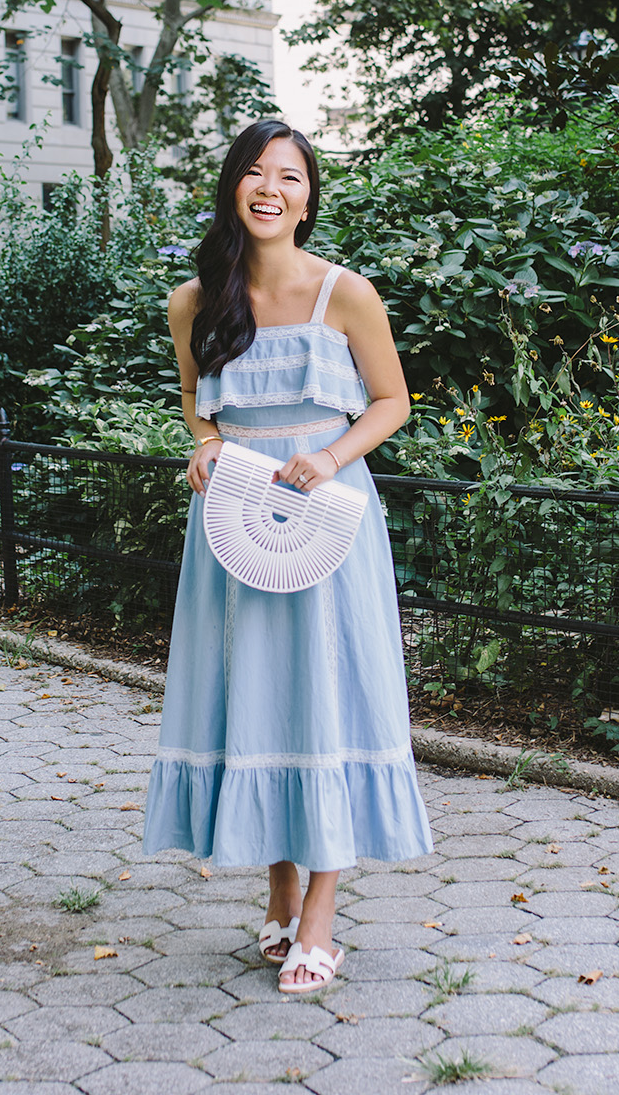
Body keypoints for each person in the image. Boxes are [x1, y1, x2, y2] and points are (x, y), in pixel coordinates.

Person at [142, 118, 433, 995]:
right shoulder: (194, 300)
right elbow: (199, 403)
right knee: (252, 697)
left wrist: (333, 458)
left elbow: (392, 401)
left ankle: (320, 922)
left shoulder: (345, 293)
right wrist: (200, 444)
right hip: (231, 518)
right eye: (258, 173)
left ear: (309, 199)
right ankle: (276, 897)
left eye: (292, 177)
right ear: (234, 185)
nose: (272, 188)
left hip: (326, 513)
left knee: (328, 698)